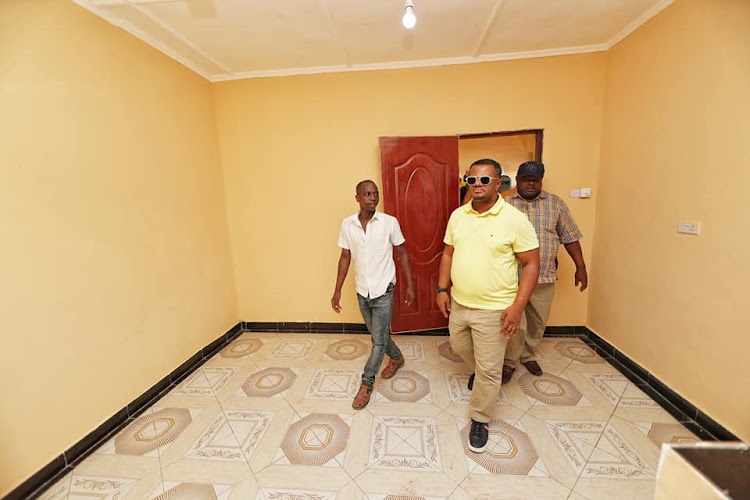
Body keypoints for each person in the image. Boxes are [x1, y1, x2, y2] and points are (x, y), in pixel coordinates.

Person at [436, 159, 540, 453]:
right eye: (472, 180)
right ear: (466, 183)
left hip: (495, 308)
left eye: (485, 180)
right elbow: (447, 253)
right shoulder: (458, 216)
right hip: (460, 304)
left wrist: (518, 307)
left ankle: (480, 418)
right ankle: (482, 375)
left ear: (499, 183)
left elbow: (532, 264)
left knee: (490, 370)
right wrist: (442, 289)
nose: (478, 185)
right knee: (459, 348)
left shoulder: (515, 219)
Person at [331, 180, 416, 410]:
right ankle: (396, 357)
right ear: (357, 198)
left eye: (375, 193)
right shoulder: (347, 225)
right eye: (367, 194)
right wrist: (337, 289)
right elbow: (345, 258)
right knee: (377, 333)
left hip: (384, 289)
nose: (373, 197)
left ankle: (366, 384)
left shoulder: (389, 222)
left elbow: (403, 254)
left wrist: (410, 285)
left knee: (377, 340)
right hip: (362, 290)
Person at [503, 161, 587, 380]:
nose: (530, 183)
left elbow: (570, 238)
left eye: (535, 179)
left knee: (538, 321)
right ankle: (509, 361)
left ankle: (528, 355)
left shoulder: (555, 204)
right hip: (511, 277)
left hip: (544, 275)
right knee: (514, 322)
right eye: (526, 179)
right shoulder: (504, 204)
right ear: (517, 181)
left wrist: (581, 268)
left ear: (540, 181)